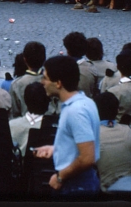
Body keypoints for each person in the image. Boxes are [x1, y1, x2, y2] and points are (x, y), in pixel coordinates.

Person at [33, 55, 100, 195]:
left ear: (58, 83)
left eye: (45, 78)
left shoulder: (75, 111)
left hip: (75, 185)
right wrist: (57, 149)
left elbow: (87, 157)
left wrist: (60, 177)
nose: (42, 82)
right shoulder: (85, 102)